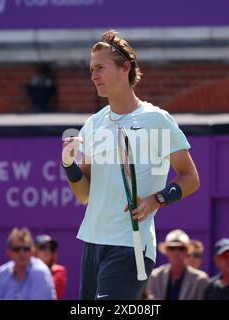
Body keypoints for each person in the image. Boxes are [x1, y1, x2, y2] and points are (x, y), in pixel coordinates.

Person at [61, 30, 200, 300]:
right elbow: (84, 194)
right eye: (91, 70)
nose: (93, 76)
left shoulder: (157, 119)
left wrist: (157, 199)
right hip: (92, 243)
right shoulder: (93, 124)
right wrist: (69, 165)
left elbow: (190, 178)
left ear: (125, 68)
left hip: (131, 245)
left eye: (100, 68)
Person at [0, 227, 56, 300]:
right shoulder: (1, 273)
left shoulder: (40, 272)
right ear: (9, 253)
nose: (22, 253)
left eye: (26, 249)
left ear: (32, 251)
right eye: (16, 249)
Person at [146, 229, 208, 300]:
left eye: (181, 248)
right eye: (172, 248)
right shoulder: (154, 277)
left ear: (187, 252)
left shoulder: (200, 280)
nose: (176, 252)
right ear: (166, 251)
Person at [34, 234, 67, 300]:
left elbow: (47, 291)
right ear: (34, 251)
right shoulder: (26, 270)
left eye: (51, 248)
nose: (48, 251)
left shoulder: (59, 271)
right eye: (43, 247)